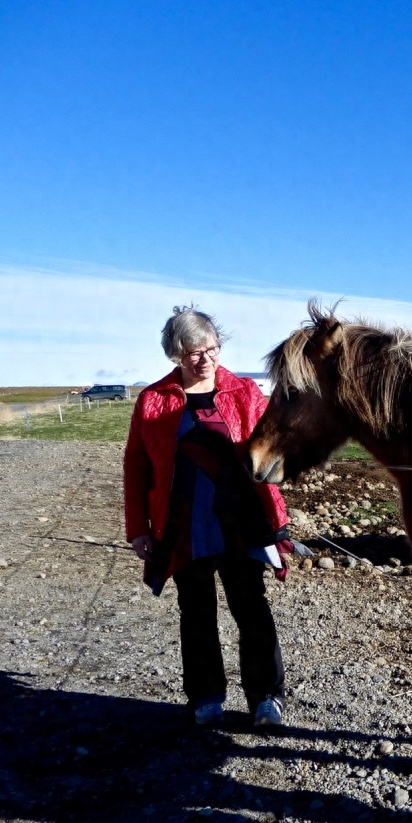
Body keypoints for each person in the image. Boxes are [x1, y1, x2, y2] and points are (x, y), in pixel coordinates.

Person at [124, 306, 293, 728]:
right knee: (195, 613)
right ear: (176, 354)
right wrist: (137, 529)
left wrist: (278, 513)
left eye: (212, 348)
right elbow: (136, 466)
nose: (206, 359)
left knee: (251, 608)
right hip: (183, 530)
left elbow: (274, 452)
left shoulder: (245, 393)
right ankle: (206, 698)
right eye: (194, 352)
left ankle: (266, 699)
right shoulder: (153, 400)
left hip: (240, 525)